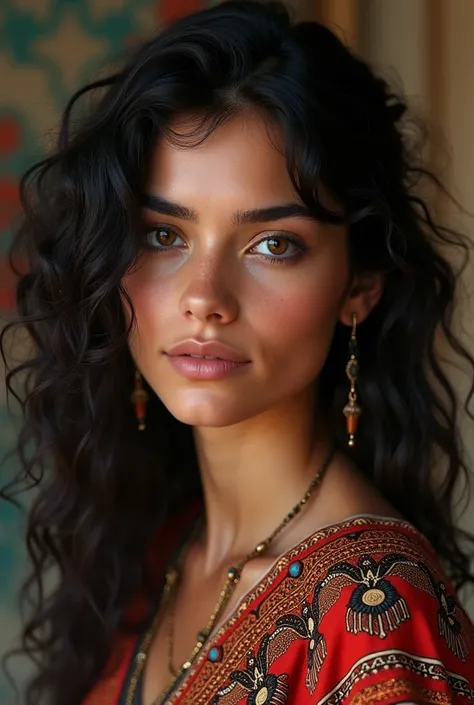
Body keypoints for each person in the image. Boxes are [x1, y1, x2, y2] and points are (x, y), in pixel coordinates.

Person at [2, 1, 474, 704]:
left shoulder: (372, 618)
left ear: (360, 285)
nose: (204, 296)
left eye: (273, 245)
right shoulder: (160, 549)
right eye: (164, 235)